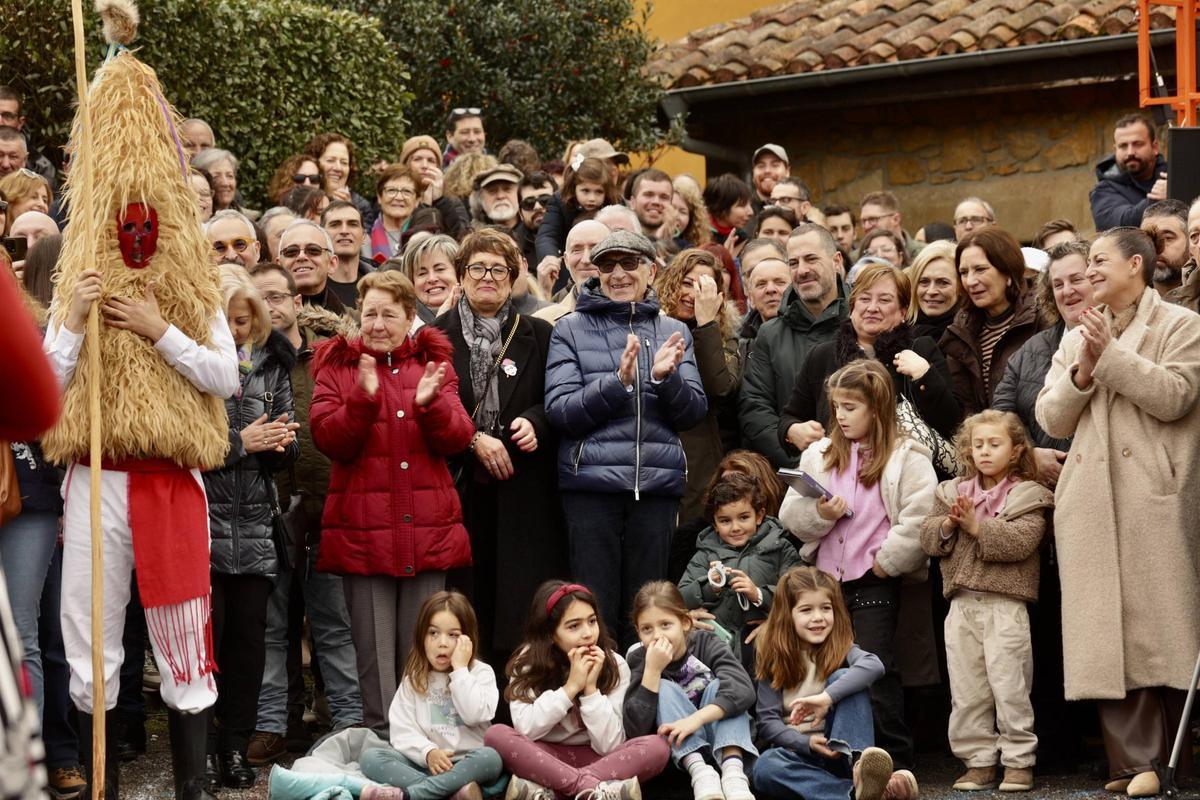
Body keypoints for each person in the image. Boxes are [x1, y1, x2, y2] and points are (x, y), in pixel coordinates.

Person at [42, 45, 240, 800]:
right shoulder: (75, 284)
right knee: (89, 637)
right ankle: (103, 783)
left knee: (184, 640)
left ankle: (192, 787)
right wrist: (75, 318)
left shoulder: (196, 288)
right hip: (95, 479)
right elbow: (46, 395)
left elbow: (224, 377)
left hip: (168, 484)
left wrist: (163, 331)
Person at [1036, 227, 1200, 799]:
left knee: (1168, 628)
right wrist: (1084, 366)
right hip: (1091, 500)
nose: (1090, 272)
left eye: (1099, 261)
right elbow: (1051, 416)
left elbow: (1175, 396)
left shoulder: (1182, 325)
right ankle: (1132, 764)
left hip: (1156, 496)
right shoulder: (1078, 330)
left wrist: (1111, 356)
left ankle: (1174, 761)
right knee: (1107, 636)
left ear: (1137, 264)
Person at [309, 270, 475, 733]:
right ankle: (383, 745)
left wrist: (430, 404)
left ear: (409, 318)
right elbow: (329, 440)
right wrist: (362, 400)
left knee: (429, 647)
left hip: (428, 533)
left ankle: (428, 743)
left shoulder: (434, 367)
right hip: (363, 538)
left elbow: (460, 436)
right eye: (369, 314)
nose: (378, 324)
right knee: (375, 657)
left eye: (389, 314)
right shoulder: (337, 368)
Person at [545, 230, 707, 644]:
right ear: (595, 273)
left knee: (649, 610)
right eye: (607, 266)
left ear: (651, 270)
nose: (618, 274)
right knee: (592, 609)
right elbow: (560, 412)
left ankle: (647, 694)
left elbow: (692, 413)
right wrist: (618, 384)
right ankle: (597, 695)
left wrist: (665, 380)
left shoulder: (674, 330)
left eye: (629, 263)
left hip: (655, 488)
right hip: (591, 488)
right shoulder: (569, 329)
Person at [778, 360, 937, 770]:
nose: (840, 415)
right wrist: (823, 515)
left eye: (851, 406)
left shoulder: (907, 457)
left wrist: (885, 563)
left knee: (875, 671)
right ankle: (846, 761)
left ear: (877, 407)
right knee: (827, 670)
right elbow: (790, 515)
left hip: (873, 582)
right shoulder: (820, 454)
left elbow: (920, 516)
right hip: (825, 584)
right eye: (837, 406)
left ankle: (894, 763)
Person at [248, 263, 363, 762]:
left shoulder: (335, 357)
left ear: (298, 303)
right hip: (264, 511)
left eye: (277, 296)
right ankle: (271, 725)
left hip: (330, 506)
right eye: (258, 299)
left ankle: (353, 723)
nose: (269, 307)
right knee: (272, 627)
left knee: (334, 624)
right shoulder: (244, 361)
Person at [432, 229, 566, 661]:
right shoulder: (435, 338)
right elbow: (428, 405)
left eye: (499, 269)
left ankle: (518, 700)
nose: (487, 277)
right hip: (459, 486)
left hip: (522, 486)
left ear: (514, 279)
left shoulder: (539, 335)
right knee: (466, 599)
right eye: (477, 268)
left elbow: (557, 399)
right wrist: (472, 440)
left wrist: (535, 421)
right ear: (461, 276)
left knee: (519, 600)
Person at [919, 410, 1052, 793]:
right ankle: (978, 761)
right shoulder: (951, 492)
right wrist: (947, 524)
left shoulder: (1029, 494)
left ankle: (1018, 761)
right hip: (961, 604)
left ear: (1015, 451)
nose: (985, 451)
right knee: (968, 688)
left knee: (1010, 686)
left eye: (994, 444)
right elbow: (928, 539)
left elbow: (1023, 541)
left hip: (1005, 606)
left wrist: (978, 528)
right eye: (978, 444)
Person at [203, 266, 299, 788]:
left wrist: (282, 442)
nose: (237, 331)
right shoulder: (190, 364)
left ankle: (235, 749)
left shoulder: (273, 364)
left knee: (248, 645)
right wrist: (244, 442)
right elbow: (184, 448)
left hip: (258, 525)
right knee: (205, 646)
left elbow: (288, 441)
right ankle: (201, 747)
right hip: (204, 524)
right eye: (227, 321)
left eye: (243, 321)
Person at [484, 581, 671, 800]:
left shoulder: (614, 664)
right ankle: (590, 789)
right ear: (551, 634)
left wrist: (591, 690)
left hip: (599, 760)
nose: (588, 633)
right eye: (574, 626)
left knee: (658, 746)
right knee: (496, 735)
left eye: (592, 621)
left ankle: (551, 791)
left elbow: (610, 745)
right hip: (545, 758)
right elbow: (526, 730)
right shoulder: (527, 663)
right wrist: (570, 688)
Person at [751, 566, 913, 800]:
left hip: (843, 754)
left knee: (844, 678)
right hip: (799, 753)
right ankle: (854, 794)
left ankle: (860, 772)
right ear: (787, 614)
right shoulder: (772, 654)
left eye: (826, 608)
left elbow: (874, 665)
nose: (818, 617)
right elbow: (767, 721)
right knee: (765, 767)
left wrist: (827, 698)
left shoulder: (840, 647)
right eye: (806, 610)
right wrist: (804, 742)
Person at [778, 263, 959, 466]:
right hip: (840, 477)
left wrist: (925, 376)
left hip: (906, 476)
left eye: (884, 300)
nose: (872, 308)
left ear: (902, 311)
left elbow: (954, 424)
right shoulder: (823, 356)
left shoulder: (921, 349)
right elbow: (790, 416)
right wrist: (792, 431)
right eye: (864, 299)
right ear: (852, 307)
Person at [357, 591, 505, 800]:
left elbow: (475, 714)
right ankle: (451, 794)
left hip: (468, 764)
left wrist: (460, 670)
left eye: (453, 635)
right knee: (371, 757)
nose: (442, 643)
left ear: (468, 639)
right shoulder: (414, 679)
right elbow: (402, 731)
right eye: (433, 633)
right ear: (421, 637)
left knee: (491, 758)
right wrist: (428, 752)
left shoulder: (481, 673)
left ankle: (411, 795)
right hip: (425, 765)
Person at [624, 581, 758, 800]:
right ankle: (701, 773)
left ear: (685, 623)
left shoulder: (707, 643)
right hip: (684, 755)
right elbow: (634, 728)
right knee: (664, 688)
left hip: (725, 739)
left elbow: (744, 689)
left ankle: (734, 774)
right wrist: (652, 671)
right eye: (647, 629)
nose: (657, 635)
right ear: (638, 632)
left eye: (666, 624)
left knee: (720, 686)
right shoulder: (639, 659)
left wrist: (696, 719)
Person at [740, 224, 849, 469]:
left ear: (836, 260)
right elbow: (754, 407)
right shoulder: (770, 334)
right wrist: (789, 437)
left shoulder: (863, 320)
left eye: (811, 259)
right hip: (794, 476)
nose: (802, 270)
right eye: (793, 263)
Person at [654, 248, 741, 522]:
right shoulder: (650, 327)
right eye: (687, 282)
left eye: (704, 286)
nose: (693, 294)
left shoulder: (724, 337)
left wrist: (706, 324)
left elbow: (720, 387)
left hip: (700, 459)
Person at [678, 473, 800, 662]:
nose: (735, 527)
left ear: (759, 515)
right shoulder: (704, 554)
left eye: (743, 517)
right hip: (715, 650)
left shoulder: (780, 548)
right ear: (715, 524)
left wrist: (759, 595)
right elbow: (679, 599)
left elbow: (799, 595)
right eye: (725, 521)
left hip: (767, 648)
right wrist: (710, 587)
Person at [941, 227, 1041, 417]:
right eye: (963, 272)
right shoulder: (962, 329)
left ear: (1008, 272)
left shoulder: (1041, 317)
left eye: (980, 269)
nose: (970, 281)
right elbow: (968, 407)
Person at [533, 158, 619, 265]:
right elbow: (547, 236)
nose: (592, 198)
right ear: (574, 187)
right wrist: (550, 258)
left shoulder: (615, 204)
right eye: (585, 191)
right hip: (569, 263)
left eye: (599, 192)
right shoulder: (560, 202)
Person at [1090, 113, 1167, 230]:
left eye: (1138, 144)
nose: (1130, 152)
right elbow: (1122, 226)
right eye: (1123, 146)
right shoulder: (1103, 191)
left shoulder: (1174, 176)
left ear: (1155, 147)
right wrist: (1159, 199)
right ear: (1115, 149)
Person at [533, 219, 608, 325]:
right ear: (566, 261)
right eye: (577, 250)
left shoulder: (634, 313)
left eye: (596, 248)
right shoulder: (542, 322)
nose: (586, 259)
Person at [398, 135, 471, 241]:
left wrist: (440, 201)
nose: (424, 165)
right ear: (405, 165)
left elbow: (462, 236)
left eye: (431, 160)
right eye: (417, 159)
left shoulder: (452, 201)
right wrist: (424, 206)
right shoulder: (395, 198)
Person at [304, 132, 374, 227]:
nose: (338, 168)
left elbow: (364, 240)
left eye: (344, 162)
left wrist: (350, 211)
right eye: (330, 160)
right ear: (315, 163)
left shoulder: (361, 206)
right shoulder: (302, 200)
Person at [279, 219, 345, 315]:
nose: (301, 256)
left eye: (313, 250)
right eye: (291, 252)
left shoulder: (356, 322)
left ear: (332, 264)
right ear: (279, 266)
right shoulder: (264, 320)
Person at [365, 164, 425, 263]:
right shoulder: (365, 237)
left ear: (417, 200)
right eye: (391, 190)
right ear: (379, 197)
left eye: (407, 191)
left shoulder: (425, 237)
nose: (399, 197)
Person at [321, 200, 375, 309]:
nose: (344, 231)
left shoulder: (379, 286)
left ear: (364, 236)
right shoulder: (311, 288)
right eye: (335, 225)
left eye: (352, 224)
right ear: (322, 235)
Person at [904, 241, 959, 342]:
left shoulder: (971, 335)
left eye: (943, 282)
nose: (931, 291)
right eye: (924, 281)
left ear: (961, 287)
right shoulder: (896, 331)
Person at [399, 233, 460, 323]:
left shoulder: (481, 316)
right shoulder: (403, 324)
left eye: (440, 269)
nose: (432, 279)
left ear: (459, 273)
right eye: (422, 273)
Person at [1140, 198, 1189, 297]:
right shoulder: (1124, 300)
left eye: (1167, 238)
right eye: (1148, 238)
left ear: (1190, 241)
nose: (1155, 247)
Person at [859, 192, 921, 262]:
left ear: (895, 219)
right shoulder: (855, 258)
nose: (866, 226)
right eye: (863, 221)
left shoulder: (923, 254)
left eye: (873, 219)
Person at [703, 174, 754, 253]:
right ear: (721, 207)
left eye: (750, 204)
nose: (751, 212)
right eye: (742, 205)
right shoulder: (697, 234)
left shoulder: (742, 239)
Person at [471, 164, 523, 230]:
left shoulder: (535, 232)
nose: (500, 196)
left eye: (507, 189)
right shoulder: (470, 236)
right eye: (492, 191)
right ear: (480, 198)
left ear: (519, 194)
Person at [191, 148, 243, 214]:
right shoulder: (189, 221)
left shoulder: (247, 221)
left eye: (230, 176)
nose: (225, 183)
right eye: (216, 177)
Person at [750, 144, 789, 213]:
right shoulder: (741, 213)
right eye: (761, 166)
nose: (767, 171)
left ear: (787, 171)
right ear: (753, 173)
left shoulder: (800, 211)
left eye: (775, 165)